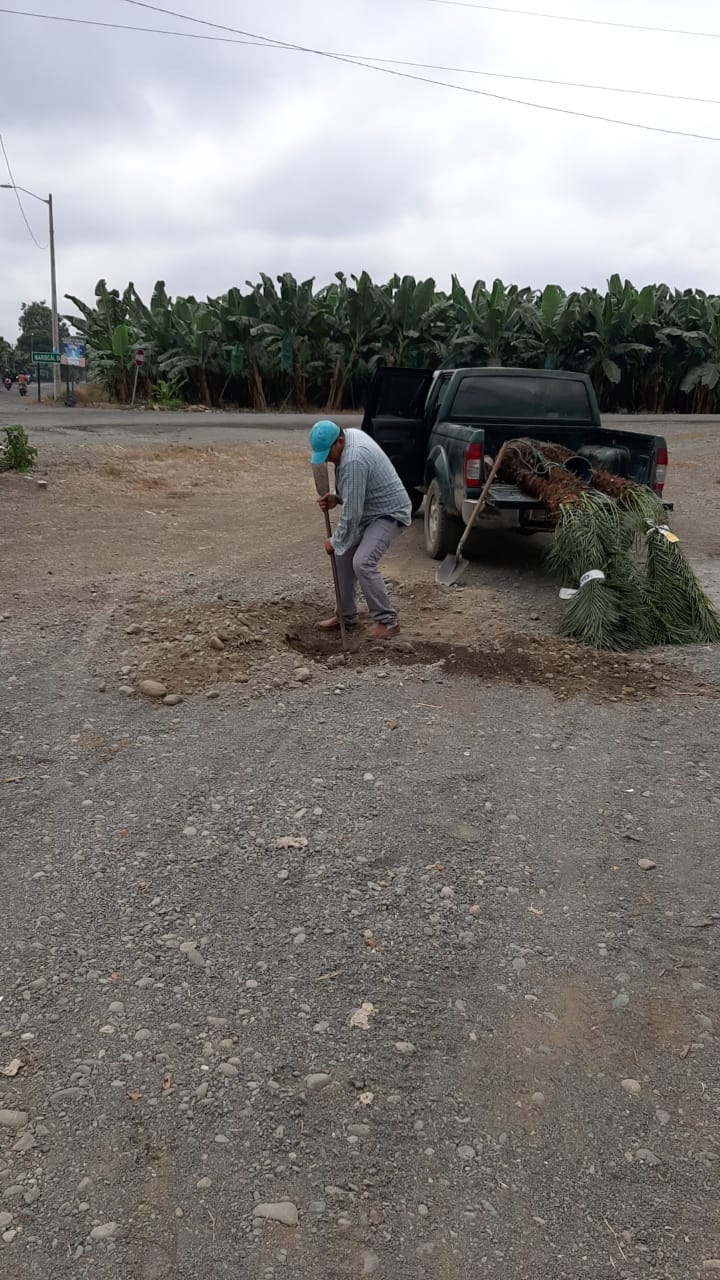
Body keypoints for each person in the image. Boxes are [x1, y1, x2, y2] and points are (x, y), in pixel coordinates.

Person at [310, 419, 412, 639]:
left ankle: (387, 621)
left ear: (339, 441)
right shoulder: (349, 437)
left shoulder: (354, 459)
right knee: (342, 555)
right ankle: (346, 616)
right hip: (369, 510)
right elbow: (354, 491)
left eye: (328, 454)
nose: (326, 459)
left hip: (388, 513)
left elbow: (352, 514)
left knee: (363, 562)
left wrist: (334, 541)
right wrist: (337, 498)